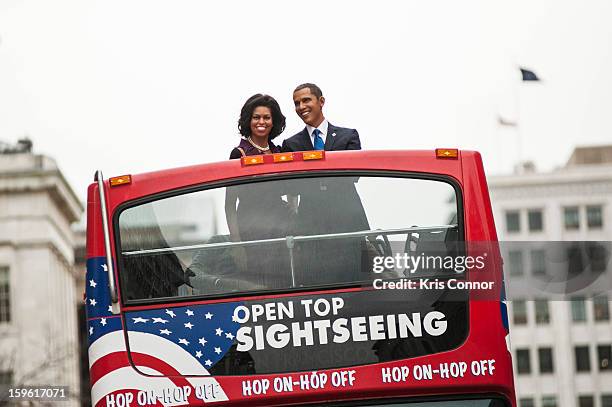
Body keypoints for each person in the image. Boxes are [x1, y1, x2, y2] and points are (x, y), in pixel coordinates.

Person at [281, 83, 370, 285]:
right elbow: (291, 186)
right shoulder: (291, 145)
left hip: (348, 222)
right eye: (296, 103)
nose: (301, 106)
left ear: (321, 101)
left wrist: (312, 177)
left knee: (356, 282)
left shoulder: (349, 136)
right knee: (318, 283)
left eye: (306, 100)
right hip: (312, 227)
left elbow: (354, 175)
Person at [224, 94, 290, 289]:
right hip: (251, 234)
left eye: (267, 117)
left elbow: (292, 188)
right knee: (258, 289)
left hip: (281, 231)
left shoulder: (279, 152)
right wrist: (238, 246)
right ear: (248, 120)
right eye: (256, 117)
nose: (261, 122)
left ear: (274, 121)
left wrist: (292, 207)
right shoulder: (239, 153)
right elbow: (229, 205)